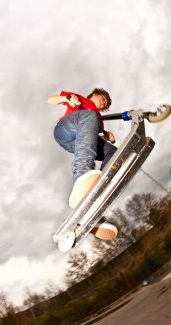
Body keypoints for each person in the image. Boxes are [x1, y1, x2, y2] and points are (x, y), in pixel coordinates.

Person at [47, 88, 118, 240]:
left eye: (105, 102)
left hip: (78, 141)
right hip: (64, 131)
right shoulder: (80, 100)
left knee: (112, 152)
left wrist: (106, 137)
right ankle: (82, 174)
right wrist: (67, 99)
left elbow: (89, 141)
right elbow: (51, 100)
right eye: (102, 97)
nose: (103, 101)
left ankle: (95, 199)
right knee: (89, 115)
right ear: (93, 95)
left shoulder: (98, 121)